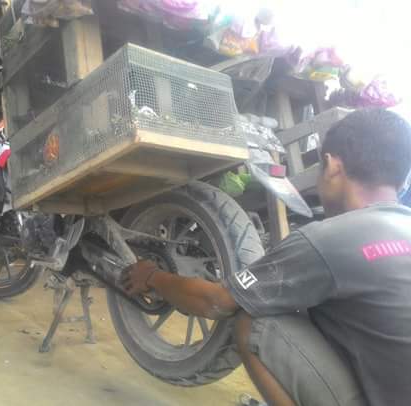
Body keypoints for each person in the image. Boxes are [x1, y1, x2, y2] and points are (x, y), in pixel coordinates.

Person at [122, 108, 411, 406]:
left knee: (255, 323)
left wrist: (152, 277)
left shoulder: (333, 238)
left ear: (331, 166)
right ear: (402, 182)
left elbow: (216, 302)